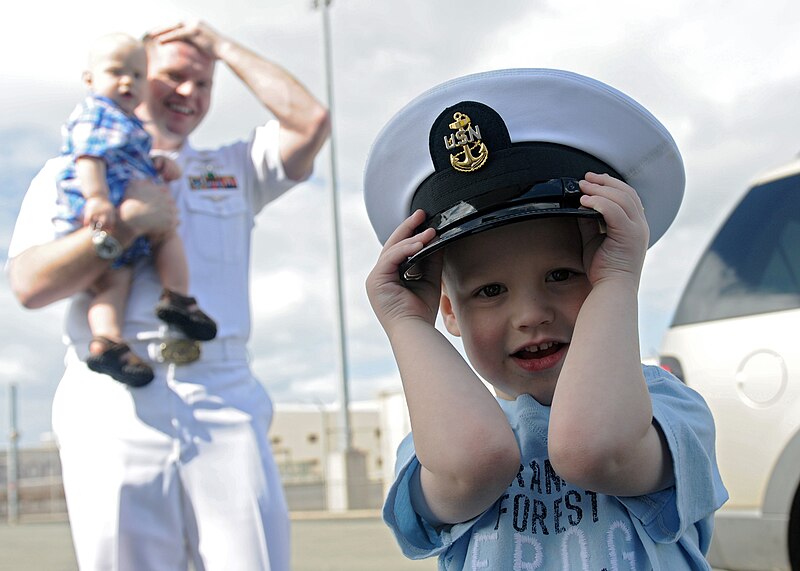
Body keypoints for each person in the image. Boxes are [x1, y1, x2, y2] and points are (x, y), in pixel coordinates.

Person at [363, 69, 728, 570]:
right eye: (490, 290)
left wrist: (619, 278)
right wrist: (406, 322)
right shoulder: (433, 441)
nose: (531, 314)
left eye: (562, 274)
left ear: (606, 271)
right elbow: (474, 464)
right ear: (449, 310)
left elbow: (595, 449)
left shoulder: (666, 410)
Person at [8, 20, 329, 571]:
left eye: (204, 83)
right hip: (114, 395)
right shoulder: (69, 169)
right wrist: (125, 226)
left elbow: (310, 121)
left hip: (221, 391)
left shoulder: (228, 169)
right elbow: (30, 284)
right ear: (132, 77)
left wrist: (222, 47)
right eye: (174, 76)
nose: (191, 93)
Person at [55, 32, 217, 387]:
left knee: (112, 281)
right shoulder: (98, 112)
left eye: (138, 75)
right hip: (105, 210)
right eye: (116, 72)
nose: (128, 81)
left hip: (115, 214)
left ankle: (107, 342)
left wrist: (157, 163)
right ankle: (178, 298)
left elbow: (127, 159)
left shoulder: (127, 123)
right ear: (90, 79)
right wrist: (97, 197)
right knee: (167, 233)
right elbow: (89, 156)